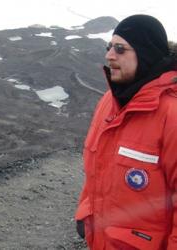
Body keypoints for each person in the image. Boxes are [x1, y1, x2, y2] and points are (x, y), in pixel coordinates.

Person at [75, 14, 177, 250]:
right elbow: (96, 171)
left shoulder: (171, 114)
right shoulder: (108, 102)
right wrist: (86, 210)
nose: (109, 55)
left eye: (120, 49)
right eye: (109, 47)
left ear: (145, 53)